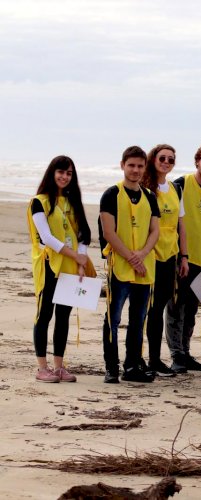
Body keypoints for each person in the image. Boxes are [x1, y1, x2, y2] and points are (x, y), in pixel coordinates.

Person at [27, 156, 91, 383]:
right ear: (52, 173)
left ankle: (59, 366)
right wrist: (76, 256)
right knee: (44, 314)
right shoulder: (39, 201)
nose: (64, 177)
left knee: (63, 316)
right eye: (61, 172)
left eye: (69, 173)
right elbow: (46, 237)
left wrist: (81, 261)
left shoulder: (73, 201)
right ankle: (42, 367)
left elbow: (84, 234)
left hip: (70, 266)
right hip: (48, 264)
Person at [99, 146, 160, 383]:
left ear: (145, 168)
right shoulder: (111, 194)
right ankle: (111, 367)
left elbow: (155, 231)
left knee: (138, 319)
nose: (135, 170)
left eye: (140, 166)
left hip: (145, 268)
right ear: (122, 165)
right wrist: (131, 257)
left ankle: (132, 365)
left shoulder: (149, 197)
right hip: (120, 266)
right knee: (113, 318)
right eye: (131, 165)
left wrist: (142, 254)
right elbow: (108, 232)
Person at [166, 143, 201, 373]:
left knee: (191, 309)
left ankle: (186, 352)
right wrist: (181, 255)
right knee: (175, 306)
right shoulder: (180, 185)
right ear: (197, 161)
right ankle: (176, 354)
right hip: (182, 259)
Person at [140, 144, 188, 377]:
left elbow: (181, 225)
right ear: (153, 159)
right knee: (145, 309)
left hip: (169, 254)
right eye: (162, 158)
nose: (166, 162)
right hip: (148, 254)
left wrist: (184, 256)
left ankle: (155, 360)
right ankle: (139, 359)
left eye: (171, 159)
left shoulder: (175, 188)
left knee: (159, 306)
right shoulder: (144, 186)